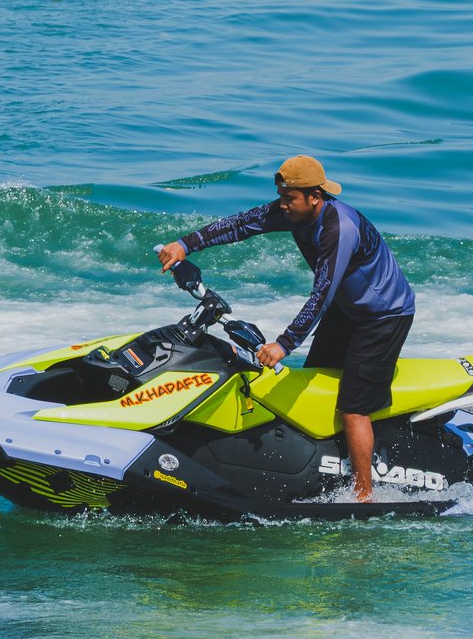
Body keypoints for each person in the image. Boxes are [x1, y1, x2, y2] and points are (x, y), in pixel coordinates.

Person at [157, 155, 416, 503]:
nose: (282, 204)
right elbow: (239, 224)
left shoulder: (339, 229)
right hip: (346, 308)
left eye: (289, 198)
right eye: (280, 196)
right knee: (313, 387)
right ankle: (321, 465)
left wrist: (284, 343)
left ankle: (363, 496)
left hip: (383, 318)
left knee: (353, 407)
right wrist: (186, 244)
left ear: (314, 196)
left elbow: (321, 294)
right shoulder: (293, 209)